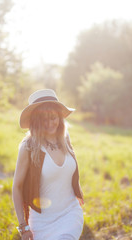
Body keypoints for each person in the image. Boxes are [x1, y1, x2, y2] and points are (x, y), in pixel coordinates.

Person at [12, 89, 84, 240]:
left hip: (69, 214)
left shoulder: (64, 138)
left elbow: (69, 170)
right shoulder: (28, 146)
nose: (50, 123)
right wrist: (23, 227)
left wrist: (77, 190)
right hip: (41, 222)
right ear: (36, 121)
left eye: (53, 117)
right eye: (44, 119)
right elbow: (17, 187)